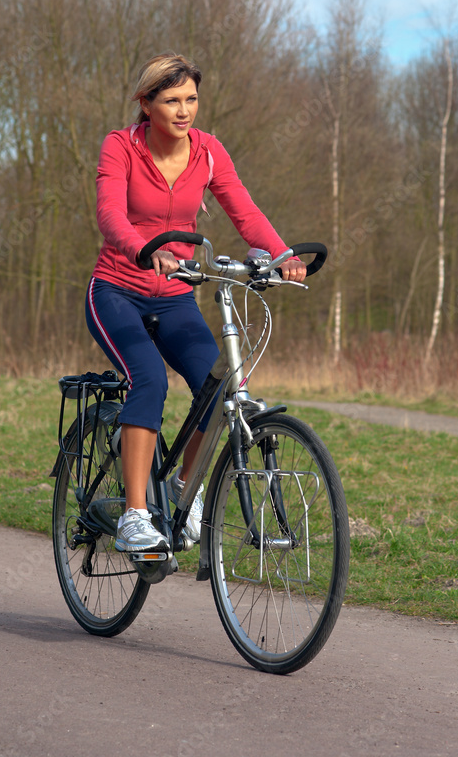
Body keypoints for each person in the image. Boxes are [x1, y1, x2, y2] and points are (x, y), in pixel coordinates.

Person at [85, 52, 306, 553]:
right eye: (171, 101)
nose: (184, 111)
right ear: (146, 104)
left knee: (222, 383)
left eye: (191, 99)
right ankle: (135, 516)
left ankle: (186, 488)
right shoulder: (120, 147)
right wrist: (146, 249)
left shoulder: (208, 152)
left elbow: (243, 210)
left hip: (176, 296)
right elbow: (110, 215)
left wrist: (282, 254)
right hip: (117, 290)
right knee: (150, 380)